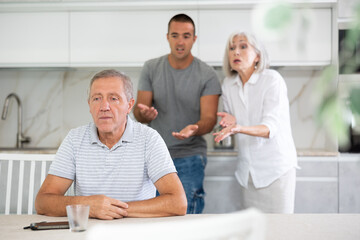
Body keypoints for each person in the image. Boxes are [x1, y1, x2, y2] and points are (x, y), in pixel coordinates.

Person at [35, 69, 187, 219]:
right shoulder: (74, 139)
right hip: (89, 234)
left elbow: (178, 202)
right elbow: (43, 202)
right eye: (97, 99)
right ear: (89, 105)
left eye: (113, 98)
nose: (104, 107)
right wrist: (88, 206)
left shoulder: (149, 139)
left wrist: (111, 210)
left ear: (129, 105)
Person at [133, 14, 221, 214]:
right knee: (153, 217)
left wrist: (195, 128)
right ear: (167, 37)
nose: (180, 41)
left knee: (187, 216)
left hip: (190, 155)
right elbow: (140, 111)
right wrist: (144, 114)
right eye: (175, 35)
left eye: (186, 36)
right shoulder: (151, 68)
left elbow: (209, 119)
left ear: (194, 39)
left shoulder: (207, 74)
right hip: (155, 156)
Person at [214, 32, 298, 213]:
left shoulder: (272, 80)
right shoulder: (228, 84)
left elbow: (270, 128)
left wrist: (238, 127)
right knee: (255, 231)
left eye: (243, 46)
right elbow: (231, 118)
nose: (236, 52)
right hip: (248, 173)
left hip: (275, 172)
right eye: (232, 48)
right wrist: (231, 121)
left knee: (281, 231)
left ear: (257, 55)